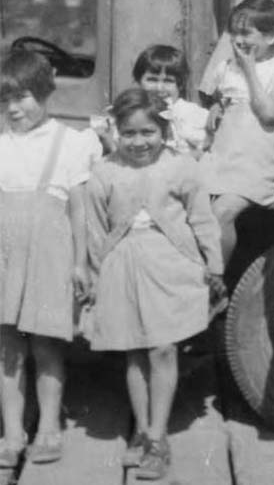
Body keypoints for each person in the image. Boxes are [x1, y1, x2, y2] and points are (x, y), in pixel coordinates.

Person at [86, 88, 223, 480]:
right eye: (129, 133)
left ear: (163, 129)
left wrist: (212, 265)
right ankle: (143, 430)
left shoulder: (182, 168)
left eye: (148, 132)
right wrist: (96, 274)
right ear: (116, 131)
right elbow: (96, 228)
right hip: (123, 265)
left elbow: (202, 220)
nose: (139, 142)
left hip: (171, 264)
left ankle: (158, 437)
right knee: (134, 351)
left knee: (163, 348)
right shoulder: (106, 171)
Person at [0, 50, 100, 468]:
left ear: (44, 94)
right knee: (6, 348)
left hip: (48, 254)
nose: (12, 108)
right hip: (5, 255)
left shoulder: (71, 143)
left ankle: (48, 428)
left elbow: (79, 209)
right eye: (4, 99)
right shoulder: (2, 145)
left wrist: (80, 262)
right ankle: (12, 432)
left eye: (21, 97)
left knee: (45, 345)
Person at [202, 0, 274, 268]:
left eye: (246, 33)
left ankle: (213, 284)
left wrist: (249, 70)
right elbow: (225, 100)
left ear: (272, 36)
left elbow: (269, 113)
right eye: (234, 33)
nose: (237, 40)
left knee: (220, 213)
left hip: (256, 163)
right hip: (224, 156)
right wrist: (216, 108)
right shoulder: (226, 68)